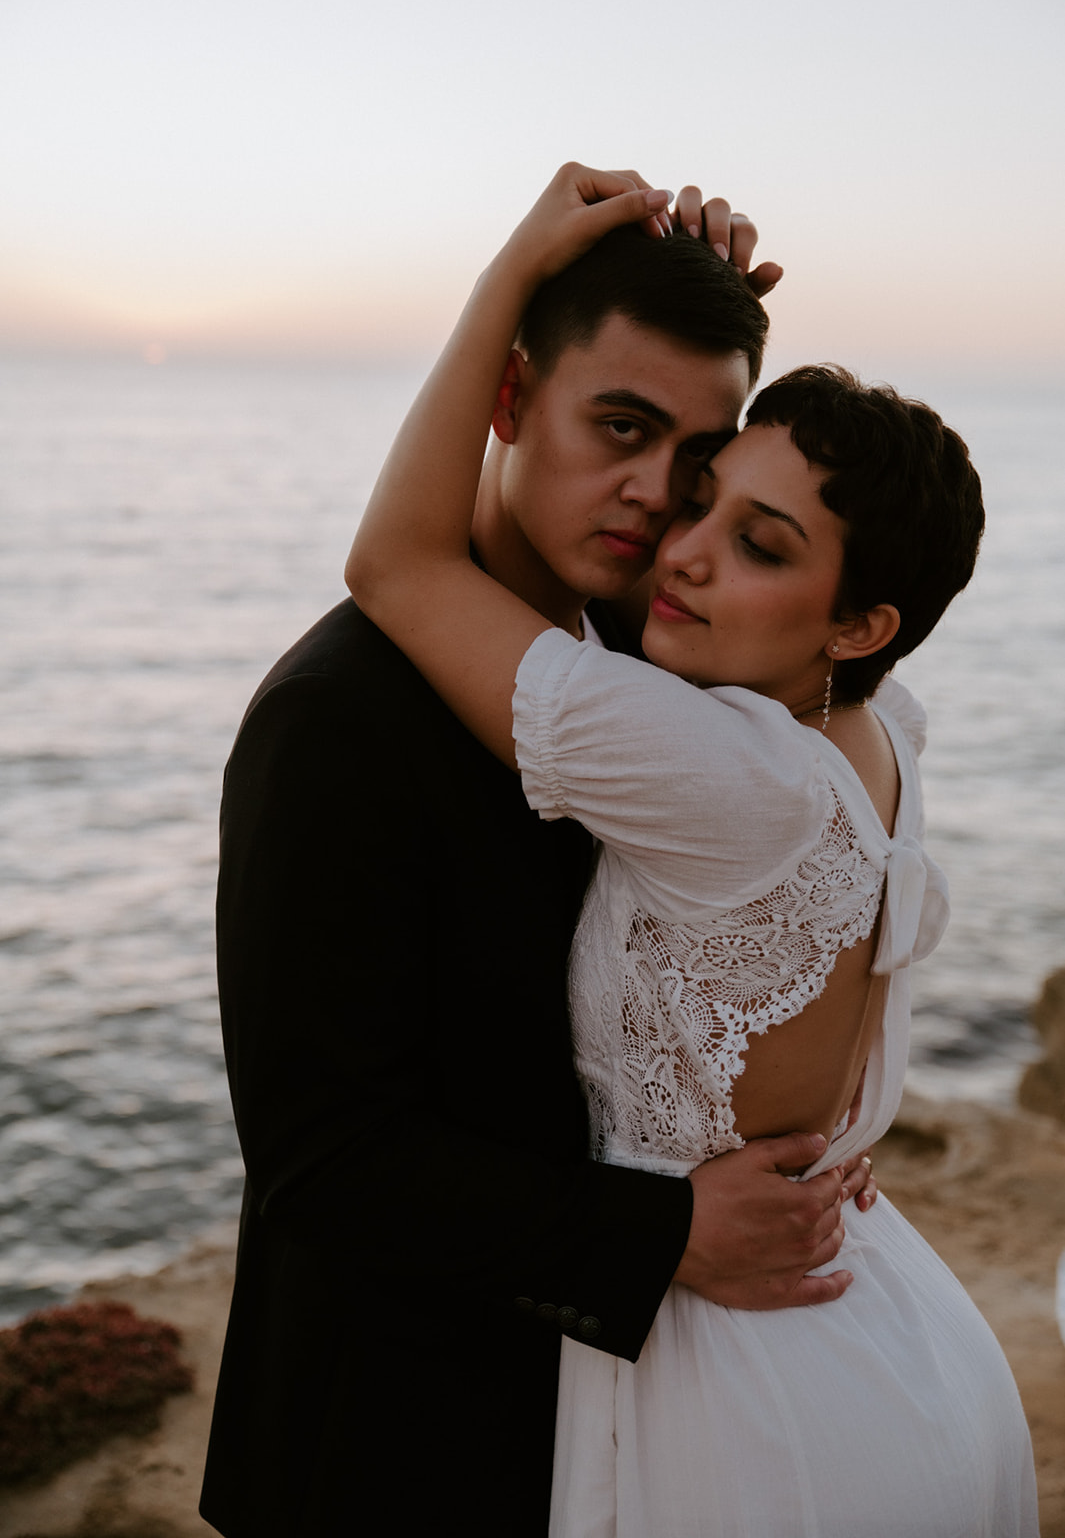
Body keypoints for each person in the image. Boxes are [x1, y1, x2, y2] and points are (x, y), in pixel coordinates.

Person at [346, 164, 1039, 1536]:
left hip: (744, 1382)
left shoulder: (710, 770)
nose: (681, 548)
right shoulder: (879, 729)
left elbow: (396, 569)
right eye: (702, 493)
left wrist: (512, 291)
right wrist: (698, 289)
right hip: (885, 1328)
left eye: (757, 543)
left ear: (855, 624)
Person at [199, 179, 876, 1537]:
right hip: (394, 1440)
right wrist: (665, 1234)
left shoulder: (639, 672)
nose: (649, 497)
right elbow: (321, 1159)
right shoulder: (335, 720)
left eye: (693, 465)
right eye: (616, 426)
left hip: (609, 1422)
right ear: (507, 402)